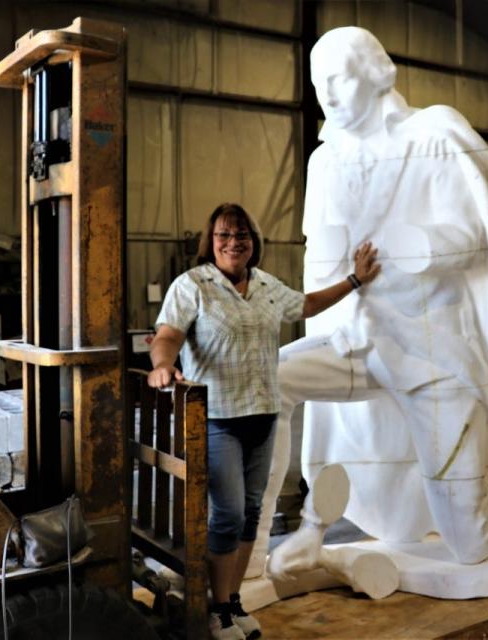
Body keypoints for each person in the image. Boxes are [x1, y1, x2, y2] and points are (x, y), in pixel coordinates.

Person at [251, 26, 488, 588]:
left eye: (339, 78)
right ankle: (267, 547)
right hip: (354, 344)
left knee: (471, 545)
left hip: (427, 351)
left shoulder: (433, 134)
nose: (328, 95)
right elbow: (320, 263)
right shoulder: (326, 163)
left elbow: (476, 238)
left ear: (375, 73)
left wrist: (403, 246)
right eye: (318, 84)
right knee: (264, 378)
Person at [149, 202, 379, 640]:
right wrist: (163, 365)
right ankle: (217, 611)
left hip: (264, 415)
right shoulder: (193, 285)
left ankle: (233, 603)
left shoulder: (267, 286)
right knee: (227, 515)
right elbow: (167, 335)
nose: (234, 243)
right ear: (210, 243)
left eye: (242, 235)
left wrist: (354, 280)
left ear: (253, 243)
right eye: (224, 236)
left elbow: (307, 305)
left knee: (253, 514)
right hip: (218, 419)